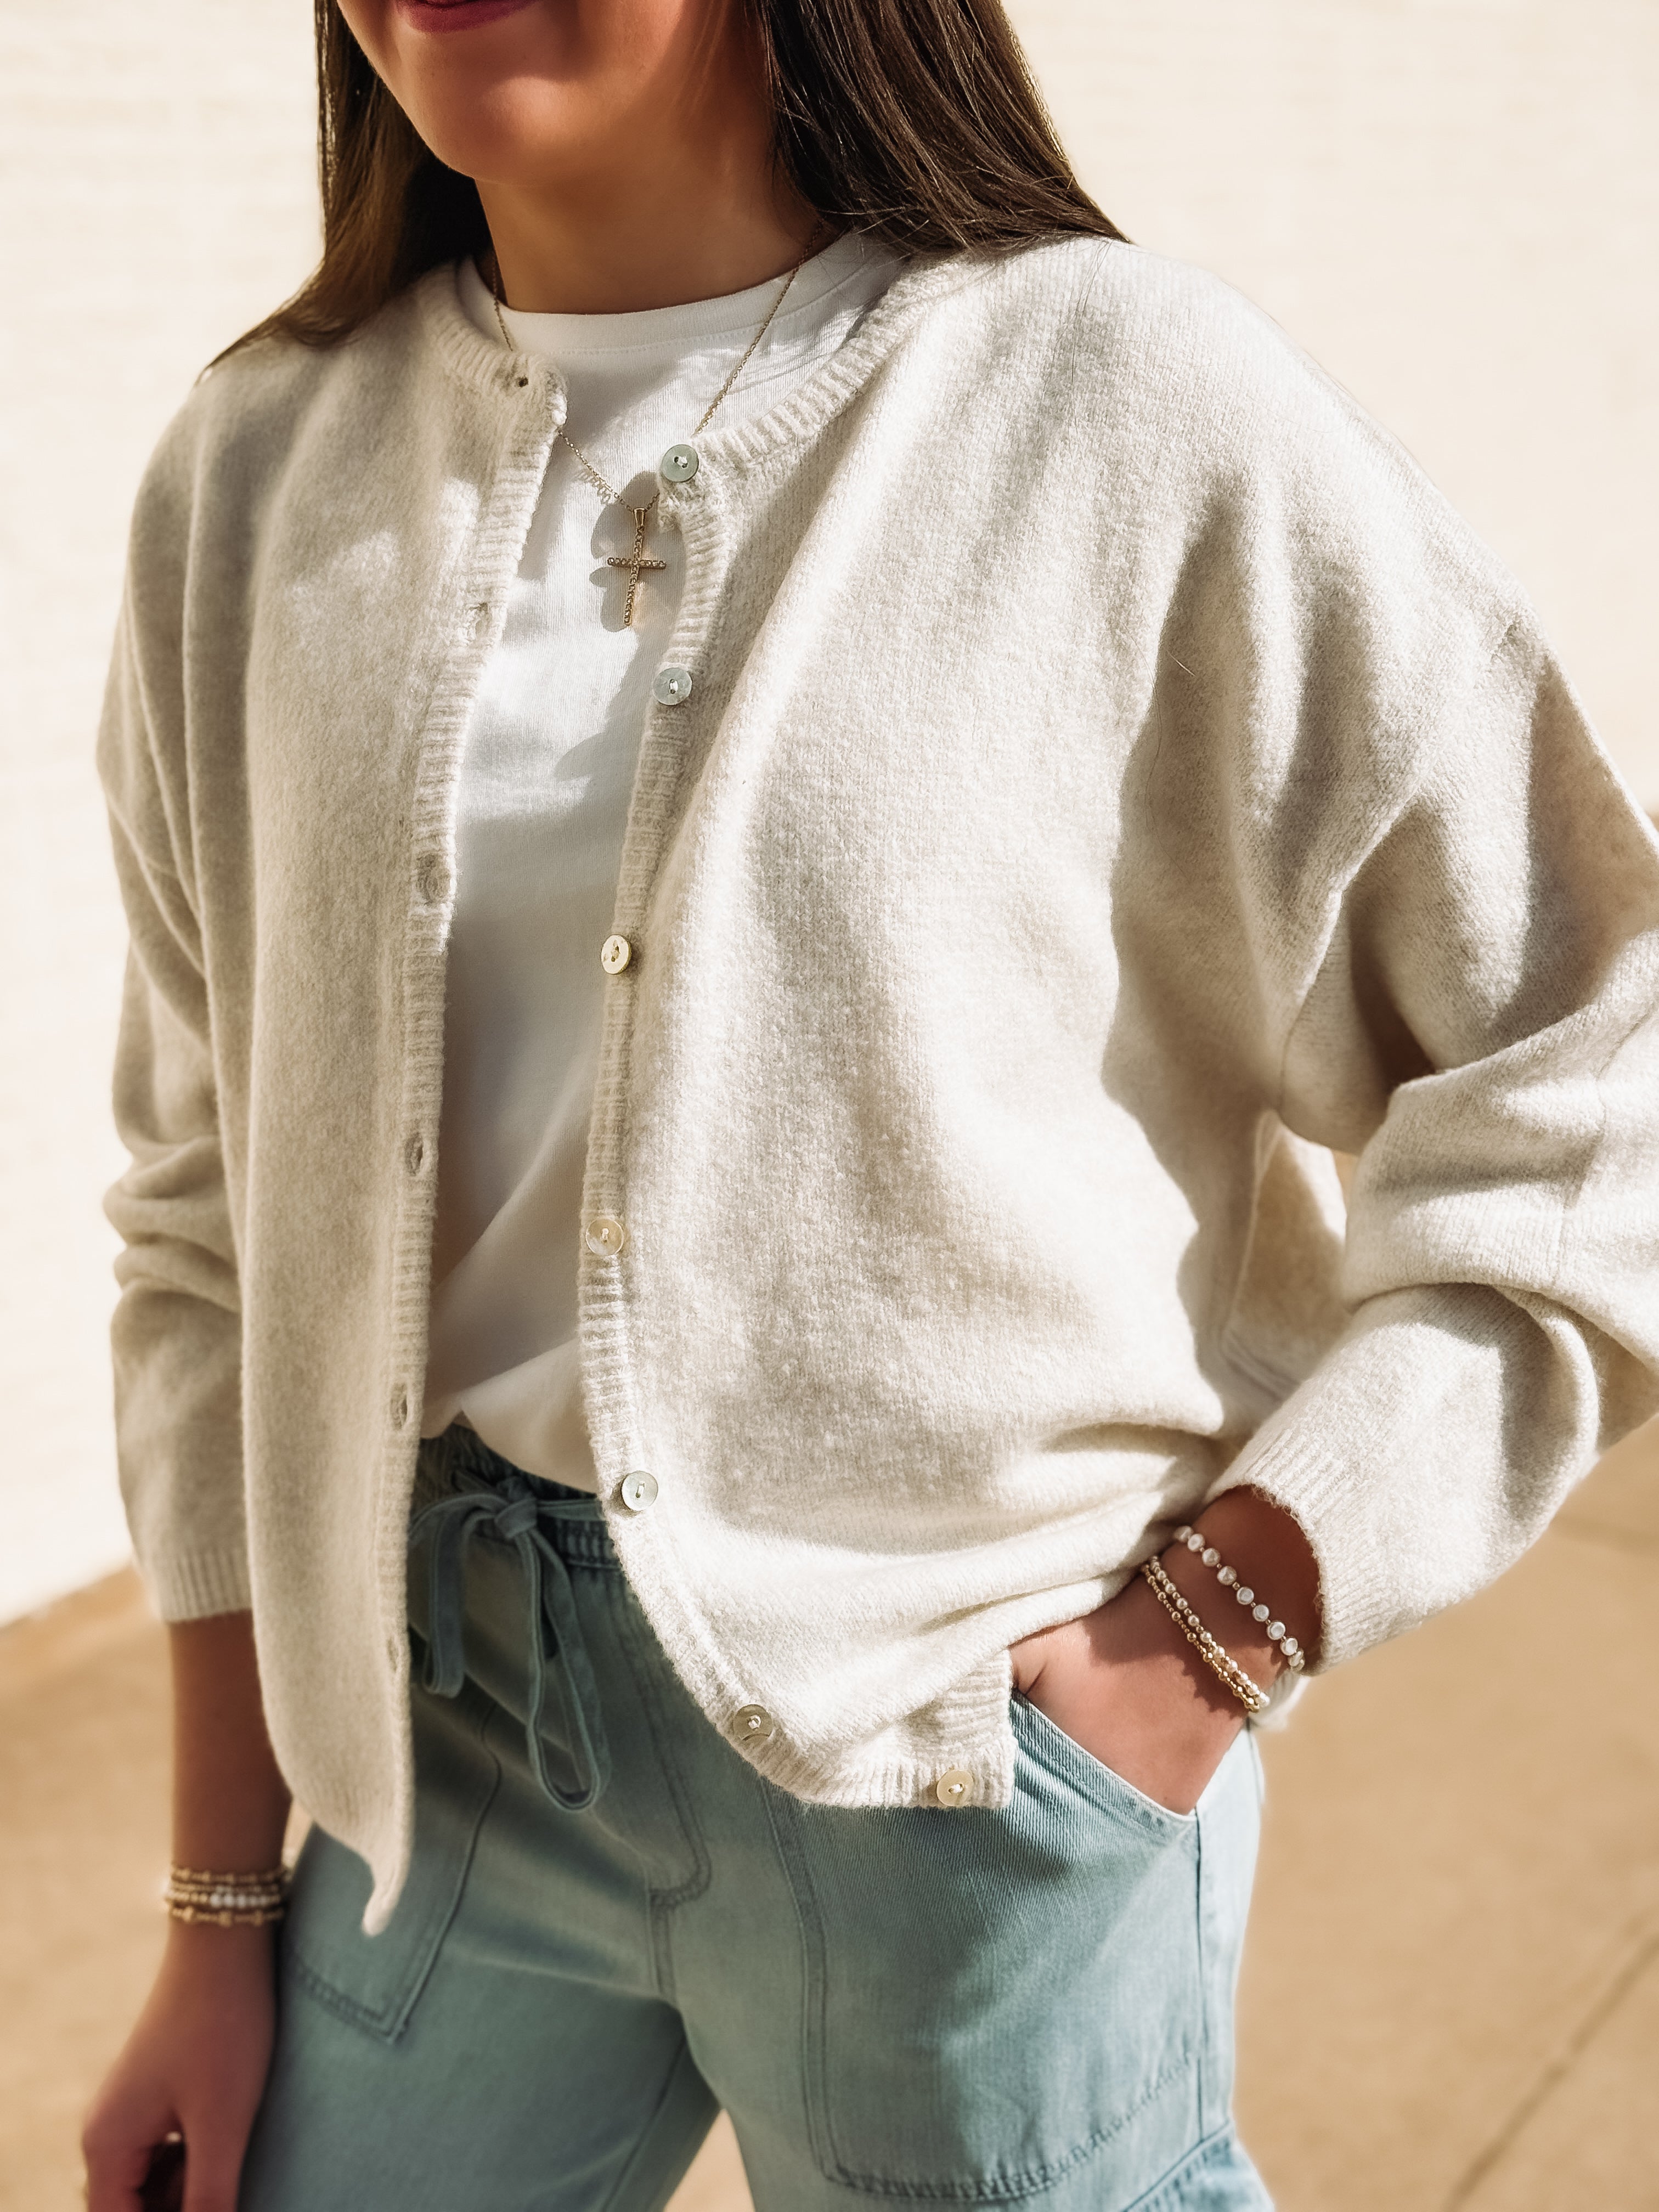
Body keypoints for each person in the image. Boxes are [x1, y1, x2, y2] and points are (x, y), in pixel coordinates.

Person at [80, 1, 1659, 2207]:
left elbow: (1604, 1067)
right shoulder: (256, 469)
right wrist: (217, 1913)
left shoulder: (1118, 406)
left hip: (958, 1785)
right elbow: (209, 1235)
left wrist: (1222, 1628)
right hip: (433, 1761)